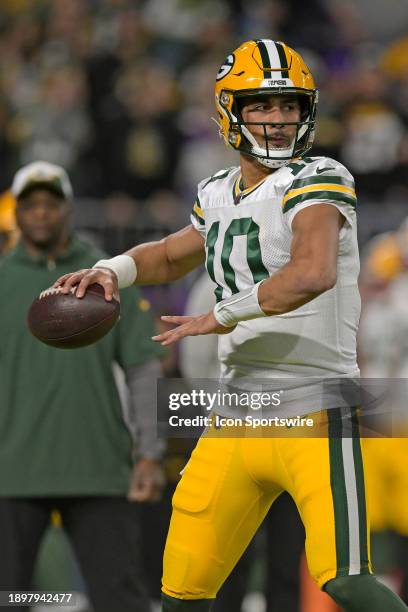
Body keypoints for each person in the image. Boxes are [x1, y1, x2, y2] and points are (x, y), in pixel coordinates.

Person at [55, 40, 408, 612]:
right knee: (182, 591)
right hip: (236, 416)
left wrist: (222, 313)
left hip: (315, 409)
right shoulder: (217, 192)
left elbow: (312, 272)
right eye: (262, 106)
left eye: (288, 106)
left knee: (345, 580)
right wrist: (110, 268)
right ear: (229, 112)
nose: (277, 120)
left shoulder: (320, 176)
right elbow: (172, 254)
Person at [0, 161, 165, 612]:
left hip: (99, 469)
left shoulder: (106, 279)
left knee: (119, 599)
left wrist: (150, 453)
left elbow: (143, 368)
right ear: (16, 212)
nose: (40, 213)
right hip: (11, 472)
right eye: (29, 204)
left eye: (50, 204)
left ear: (68, 209)